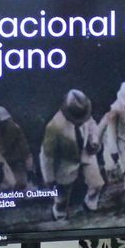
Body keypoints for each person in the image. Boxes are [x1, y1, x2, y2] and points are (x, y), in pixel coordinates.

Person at [39, 88, 105, 219]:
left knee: (97, 184)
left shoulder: (84, 112)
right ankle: (59, 214)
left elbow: (92, 125)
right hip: (65, 162)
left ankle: (90, 205)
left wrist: (94, 140)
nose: (81, 119)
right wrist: (48, 178)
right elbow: (46, 155)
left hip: (86, 153)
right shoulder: (54, 127)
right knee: (62, 197)